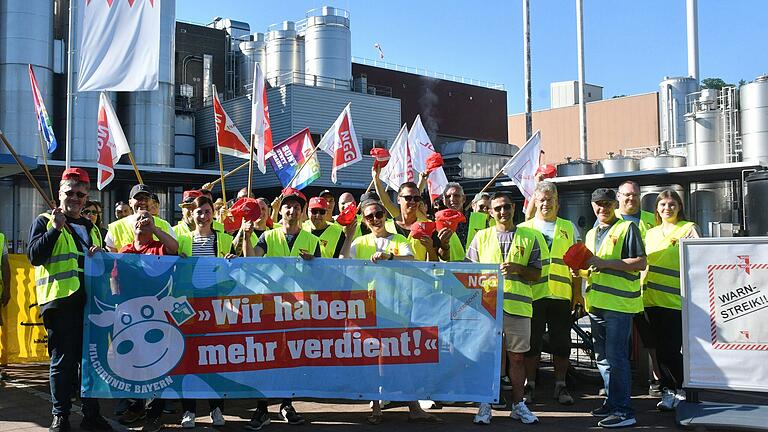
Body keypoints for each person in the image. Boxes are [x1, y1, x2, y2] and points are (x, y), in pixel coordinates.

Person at [339, 200, 442, 425]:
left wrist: (390, 258)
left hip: (396, 309)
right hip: (368, 309)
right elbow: (342, 262)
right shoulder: (359, 241)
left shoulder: (398, 240)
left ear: (385, 215)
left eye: (378, 214)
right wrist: (348, 235)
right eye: (369, 216)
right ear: (364, 221)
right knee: (373, 359)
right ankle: (377, 406)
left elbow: (411, 260)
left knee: (399, 359)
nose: (375, 219)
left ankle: (412, 406)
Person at [28, 168, 111, 432]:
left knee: (92, 360)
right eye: (70, 193)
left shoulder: (92, 228)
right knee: (63, 361)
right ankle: (60, 415)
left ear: (86, 198)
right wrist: (54, 229)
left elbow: (106, 267)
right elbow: (34, 256)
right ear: (59, 194)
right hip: (60, 301)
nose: (75, 198)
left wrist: (104, 255)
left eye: (80, 194)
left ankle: (91, 415)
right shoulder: (44, 220)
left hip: (92, 303)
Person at [242, 189, 318, 429]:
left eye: (296, 207)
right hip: (270, 306)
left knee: (291, 357)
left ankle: (287, 404)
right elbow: (251, 260)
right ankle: (262, 409)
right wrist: (246, 237)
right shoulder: (268, 237)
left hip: (298, 309)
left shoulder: (312, 241)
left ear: (301, 212)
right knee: (266, 357)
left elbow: (321, 276)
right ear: (281, 210)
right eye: (288, 206)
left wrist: (313, 264)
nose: (292, 210)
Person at [466, 192, 541, 426]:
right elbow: (469, 272)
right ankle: (485, 404)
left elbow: (537, 274)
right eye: (497, 208)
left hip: (518, 307)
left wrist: (519, 268)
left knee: (517, 358)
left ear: (514, 208)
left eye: (506, 207)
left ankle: (518, 405)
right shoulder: (481, 237)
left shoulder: (530, 237)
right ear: (489, 211)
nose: (502, 212)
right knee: (489, 358)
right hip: (488, 308)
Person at [583, 188, 646, 428]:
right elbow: (595, 268)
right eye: (598, 204)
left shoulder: (627, 228)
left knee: (617, 357)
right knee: (604, 358)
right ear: (592, 205)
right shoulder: (591, 233)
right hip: (597, 303)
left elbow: (640, 262)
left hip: (619, 305)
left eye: (608, 204)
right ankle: (613, 402)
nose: (603, 208)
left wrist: (604, 264)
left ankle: (623, 411)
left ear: (614, 205)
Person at [518, 181, 582, 406]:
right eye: (542, 200)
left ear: (558, 202)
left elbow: (577, 266)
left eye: (550, 200)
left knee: (562, 343)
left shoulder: (569, 227)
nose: (546, 204)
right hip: (533, 295)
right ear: (535, 201)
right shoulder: (524, 229)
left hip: (561, 296)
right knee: (532, 344)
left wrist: (577, 294)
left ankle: (560, 385)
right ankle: (530, 385)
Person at [116, 210, 179, 432]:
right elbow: (114, 278)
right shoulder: (125, 250)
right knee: (133, 363)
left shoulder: (157, 246)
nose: (142, 222)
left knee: (156, 364)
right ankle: (135, 407)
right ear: (132, 226)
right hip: (130, 317)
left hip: (156, 316)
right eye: (139, 220)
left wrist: (155, 229)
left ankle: (154, 413)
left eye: (147, 219)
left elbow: (175, 249)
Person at [176, 196, 233, 428]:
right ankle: (189, 411)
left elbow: (238, 271)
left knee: (214, 358)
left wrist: (234, 259)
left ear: (213, 214)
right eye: (199, 212)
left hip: (216, 305)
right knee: (188, 359)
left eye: (207, 211)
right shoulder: (183, 241)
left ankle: (216, 409)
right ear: (192, 214)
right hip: (190, 306)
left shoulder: (226, 240)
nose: (203, 216)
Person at [642, 189, 699, 411]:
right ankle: (668, 391)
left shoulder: (688, 228)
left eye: (672, 204)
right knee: (658, 351)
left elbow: (699, 259)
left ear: (679, 207)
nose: (667, 208)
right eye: (663, 204)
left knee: (671, 350)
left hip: (676, 301)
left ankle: (683, 390)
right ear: (656, 208)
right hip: (650, 300)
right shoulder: (650, 233)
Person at [614, 180, 662, 396]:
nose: (630, 199)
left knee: (652, 339)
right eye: (626, 195)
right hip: (618, 293)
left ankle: (658, 380)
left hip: (648, 291)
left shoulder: (652, 220)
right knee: (618, 342)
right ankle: (615, 384)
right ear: (618, 197)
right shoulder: (608, 219)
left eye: (634, 195)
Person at [105, 184, 174, 252]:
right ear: (130, 202)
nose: (143, 202)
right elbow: (110, 257)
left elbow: (174, 250)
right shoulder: (115, 227)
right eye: (138, 198)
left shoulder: (165, 225)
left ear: (152, 202)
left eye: (146, 198)